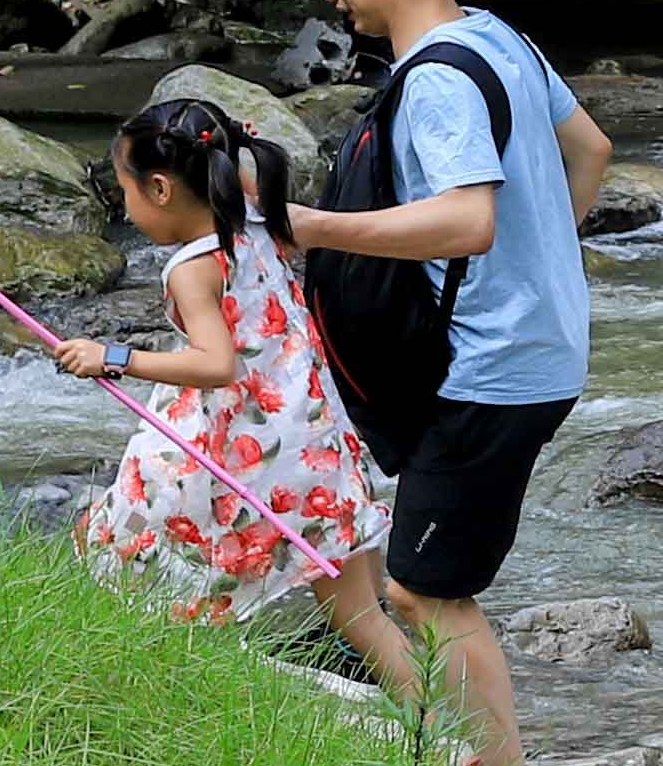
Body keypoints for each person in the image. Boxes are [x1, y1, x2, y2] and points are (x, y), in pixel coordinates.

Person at [282, 0, 609, 766]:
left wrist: (313, 225)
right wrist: (545, 269)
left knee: (427, 588)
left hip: (493, 367)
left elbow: (467, 221)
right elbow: (591, 148)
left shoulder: (434, 84)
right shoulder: (495, 36)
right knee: (425, 571)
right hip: (539, 343)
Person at [86, 92, 428, 699]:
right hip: (320, 435)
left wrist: (112, 358)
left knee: (360, 618)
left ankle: (447, 744)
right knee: (367, 612)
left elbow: (215, 364)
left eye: (127, 192)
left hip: (279, 461)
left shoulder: (191, 268)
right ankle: (441, 729)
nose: (128, 207)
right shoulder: (254, 221)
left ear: (161, 189)